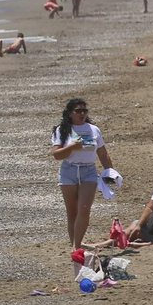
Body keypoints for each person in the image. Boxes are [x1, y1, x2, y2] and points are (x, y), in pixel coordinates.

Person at [51, 98, 113, 256]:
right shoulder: (62, 130)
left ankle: (76, 248)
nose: (82, 114)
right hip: (69, 170)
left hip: (88, 170)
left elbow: (102, 153)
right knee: (71, 212)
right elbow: (57, 155)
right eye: (78, 111)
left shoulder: (94, 130)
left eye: (84, 111)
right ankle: (76, 245)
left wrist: (110, 171)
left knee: (84, 209)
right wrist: (72, 147)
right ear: (70, 113)